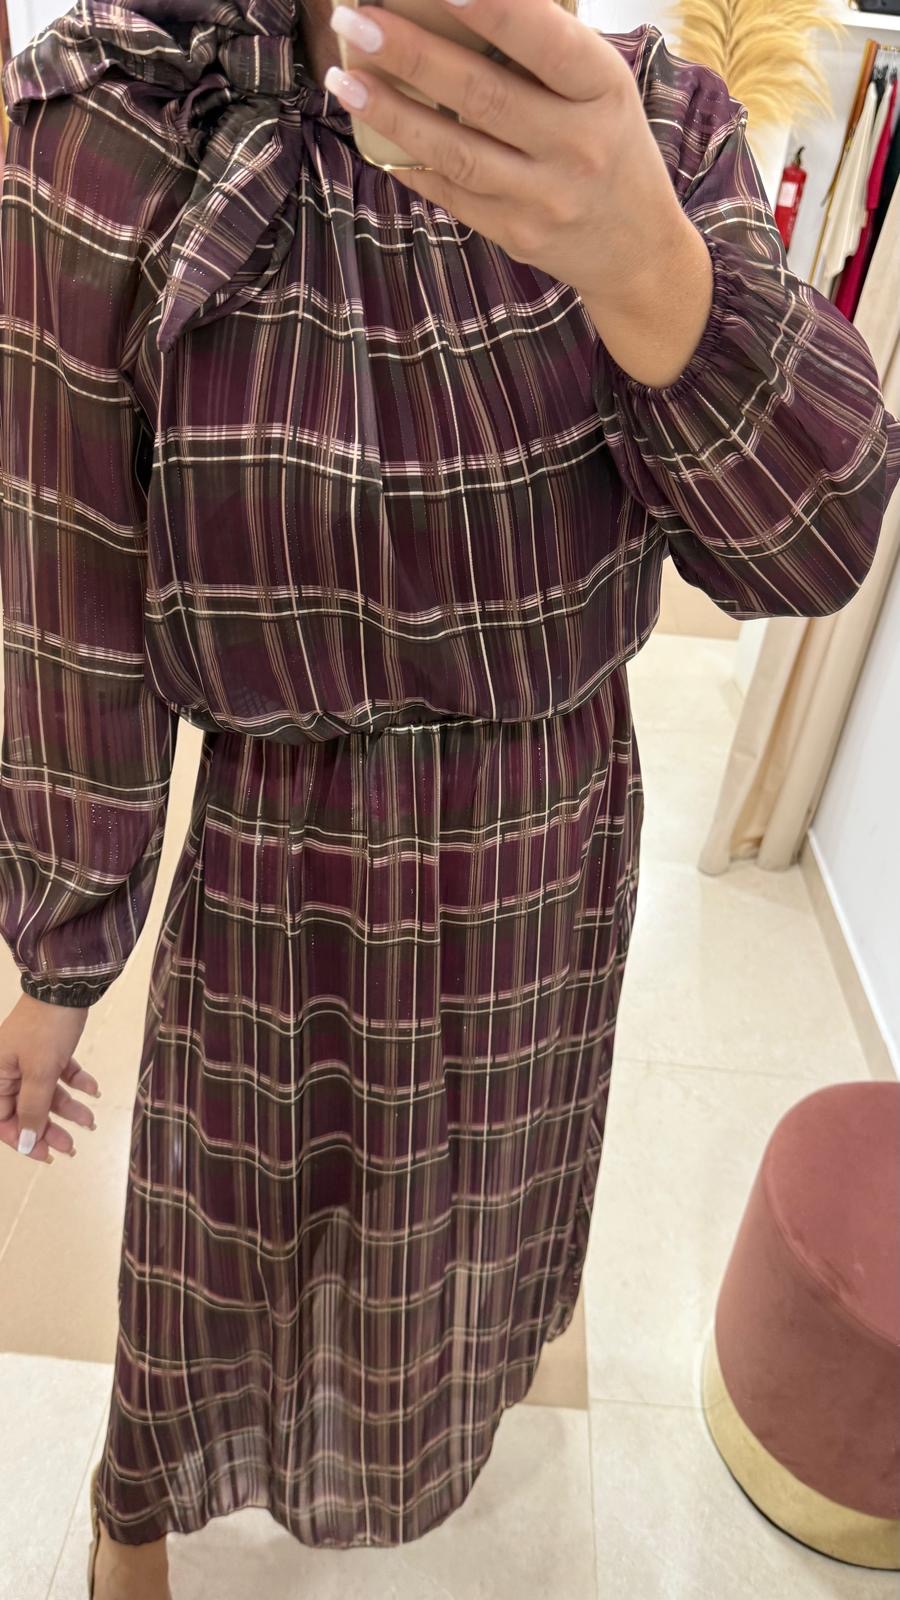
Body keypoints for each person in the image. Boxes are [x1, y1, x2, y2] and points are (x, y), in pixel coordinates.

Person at [1, 0, 898, 1595]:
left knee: (466, 1241)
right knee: (212, 1253)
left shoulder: (639, 126)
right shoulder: (116, 138)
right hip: (284, 871)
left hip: (548, 858)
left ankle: (440, 1420)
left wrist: (649, 268)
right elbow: (68, 598)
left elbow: (818, 547)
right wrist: (61, 961)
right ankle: (134, 1505)